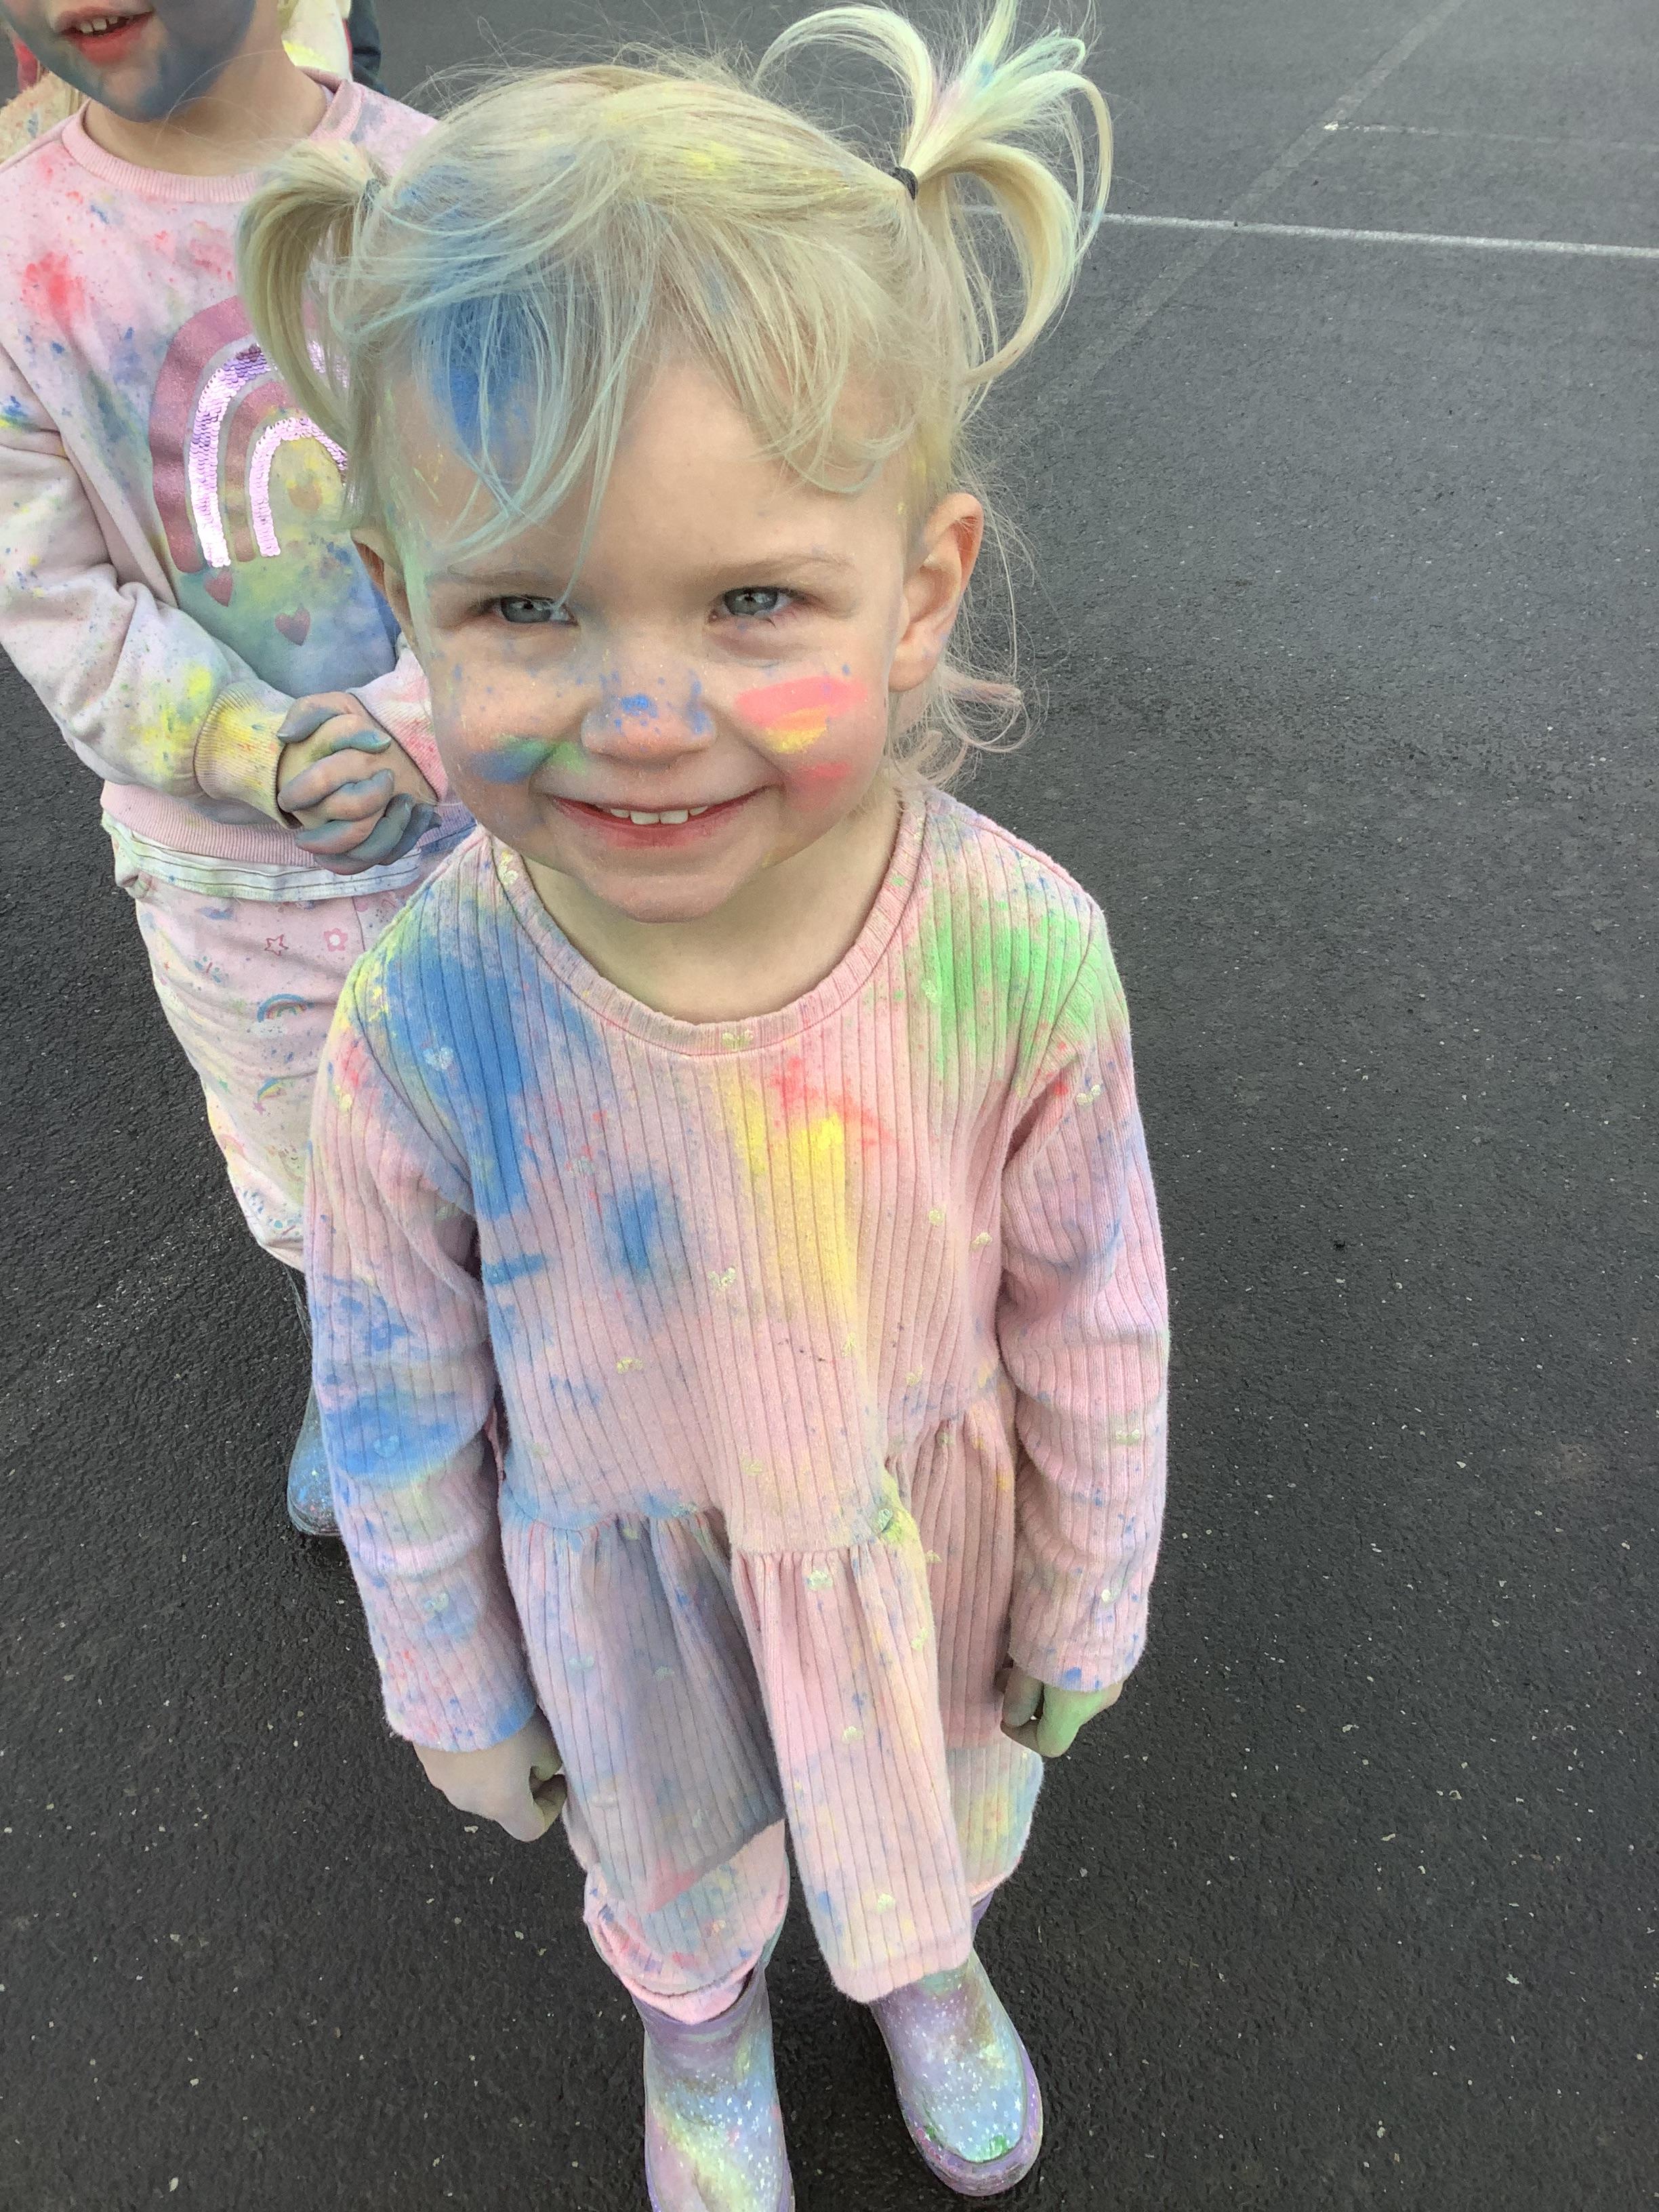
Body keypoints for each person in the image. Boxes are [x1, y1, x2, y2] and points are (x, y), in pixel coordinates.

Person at [241, 2, 1168, 2201]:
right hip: (625, 1598)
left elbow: (1095, 1315)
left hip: (915, 1559)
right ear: (397, 599)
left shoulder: (1015, 952)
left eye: (753, 598)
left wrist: (1085, 1603)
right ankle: (697, 2032)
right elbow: (391, 1390)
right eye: (526, 607)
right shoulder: (427, 1014)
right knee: (671, 1868)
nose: (644, 711)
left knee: (934, 1809)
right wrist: (452, 1683)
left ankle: (920, 1960)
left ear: (916, 591)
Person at [0, 0, 466, 1535]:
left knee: (530, 1125)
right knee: (312, 1164)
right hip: (229, 884)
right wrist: (253, 746)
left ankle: (548, 1365)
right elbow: (52, 600)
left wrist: (421, 720)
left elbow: (547, 503)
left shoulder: (446, 194)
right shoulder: (16, 258)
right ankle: (368, 1366)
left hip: (494, 825)